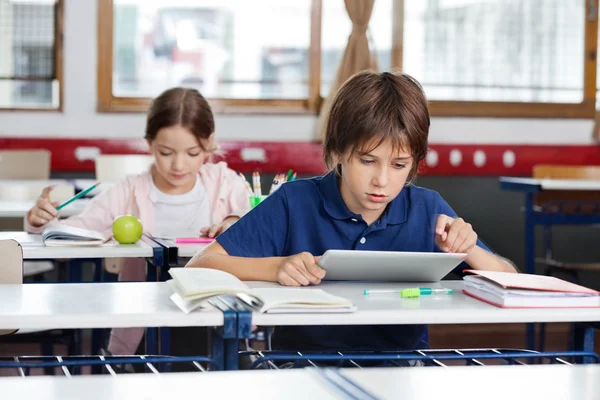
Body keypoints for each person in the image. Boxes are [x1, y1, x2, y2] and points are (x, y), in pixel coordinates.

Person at [186, 70, 516, 354]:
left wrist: (468, 247)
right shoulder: (295, 201)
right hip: (303, 365)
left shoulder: (427, 209)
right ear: (339, 151)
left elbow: (510, 280)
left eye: (399, 165)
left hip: (401, 368)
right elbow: (202, 264)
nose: (382, 180)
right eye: (367, 160)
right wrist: (276, 268)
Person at [25, 87, 251, 356]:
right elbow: (72, 234)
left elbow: (253, 234)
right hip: (148, 321)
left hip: (214, 313)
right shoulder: (130, 190)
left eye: (192, 153)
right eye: (166, 152)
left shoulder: (227, 184)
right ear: (149, 144)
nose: (178, 165)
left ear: (209, 143)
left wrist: (232, 224)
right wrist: (40, 222)